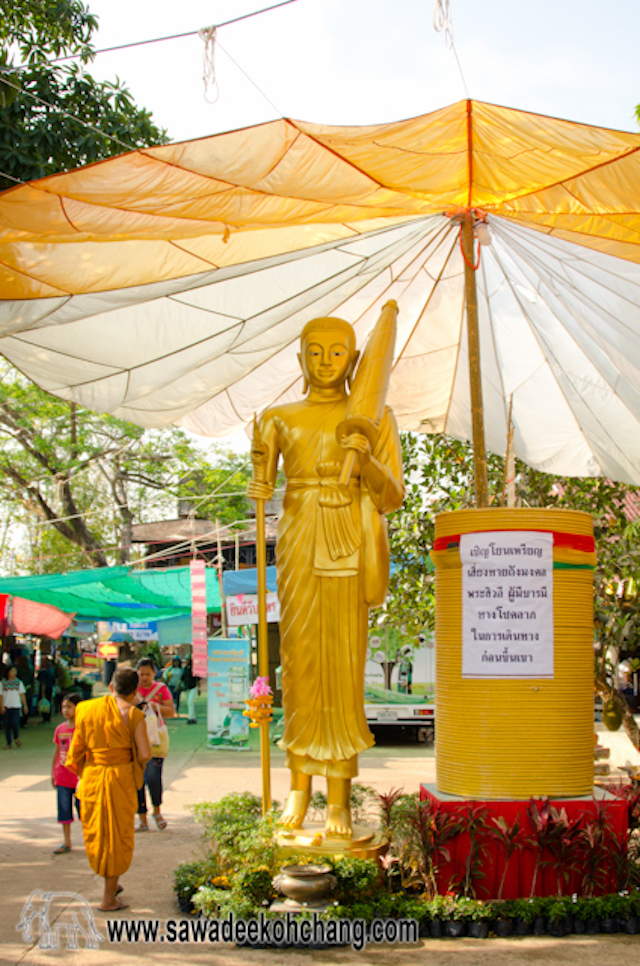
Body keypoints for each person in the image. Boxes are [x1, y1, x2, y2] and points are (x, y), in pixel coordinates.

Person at [248, 315, 404, 836]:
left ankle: (338, 797)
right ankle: (298, 788)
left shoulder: (376, 419)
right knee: (300, 661)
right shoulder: (277, 417)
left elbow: (392, 496)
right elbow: (262, 483)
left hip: (347, 540)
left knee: (341, 662)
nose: (324, 362)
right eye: (314, 352)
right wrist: (258, 485)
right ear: (299, 358)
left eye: (337, 353)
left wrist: (366, 464)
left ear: (355, 361)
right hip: (296, 536)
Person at [66, 667, 150, 912]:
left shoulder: (85, 710)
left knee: (99, 832)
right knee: (117, 835)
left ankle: (112, 885)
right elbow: (144, 753)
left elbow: (76, 752)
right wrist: (133, 761)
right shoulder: (134, 716)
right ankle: (108, 898)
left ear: (111, 686)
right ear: (135, 691)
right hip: (120, 778)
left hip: (93, 776)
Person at [135, 657, 175, 831]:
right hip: (134, 739)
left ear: (154, 673)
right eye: (141, 674)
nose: (144, 678)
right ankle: (142, 818)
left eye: (148, 674)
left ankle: (157, 811)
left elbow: (171, 712)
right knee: (136, 781)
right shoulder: (131, 689)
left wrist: (154, 706)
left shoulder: (161, 689)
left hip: (155, 740)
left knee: (153, 777)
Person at [51, 692, 82, 854]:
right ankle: (67, 841)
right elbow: (56, 752)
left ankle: (90, 840)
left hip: (80, 778)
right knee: (64, 810)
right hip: (62, 777)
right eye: (63, 707)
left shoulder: (84, 727)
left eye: (69, 706)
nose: (65, 710)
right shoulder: (60, 729)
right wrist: (53, 773)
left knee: (84, 811)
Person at [0, 666, 29, 749]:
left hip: (16, 706)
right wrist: (1, 706)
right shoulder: (2, 683)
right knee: (7, 725)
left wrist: (24, 706)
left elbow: (22, 695)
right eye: (12, 671)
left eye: (15, 671)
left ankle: (16, 737)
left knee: (15, 723)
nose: (14, 673)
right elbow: (1, 696)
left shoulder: (19, 683)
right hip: (6, 706)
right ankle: (9, 743)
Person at [38, 657, 56, 723]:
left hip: (45, 688)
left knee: (44, 702)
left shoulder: (43, 670)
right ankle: (48, 717)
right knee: (49, 702)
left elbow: (42, 682)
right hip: (50, 687)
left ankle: (45, 717)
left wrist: (42, 693)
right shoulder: (52, 669)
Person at [182, 657, 198, 724]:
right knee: (189, 703)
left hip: (193, 687)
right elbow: (182, 678)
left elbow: (197, 679)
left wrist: (199, 688)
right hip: (186, 688)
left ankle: (190, 718)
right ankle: (193, 717)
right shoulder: (185, 668)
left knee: (190, 701)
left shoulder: (194, 668)